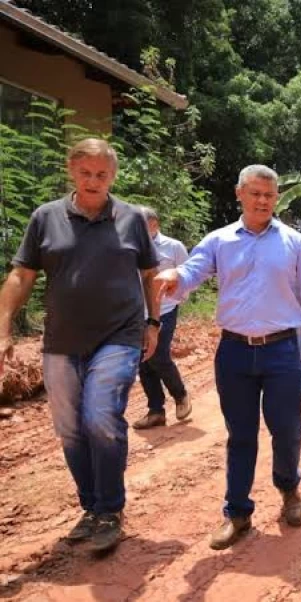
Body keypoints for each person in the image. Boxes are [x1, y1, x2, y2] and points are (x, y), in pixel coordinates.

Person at [155, 164, 301, 550]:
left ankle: (289, 491)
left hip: (282, 349)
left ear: (276, 198)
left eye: (270, 194)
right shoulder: (220, 240)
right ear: (239, 194)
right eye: (255, 193)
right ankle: (238, 513)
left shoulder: (294, 243)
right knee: (240, 435)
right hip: (233, 351)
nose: (263, 200)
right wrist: (176, 278)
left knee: (287, 428)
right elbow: (195, 267)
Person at [0, 138, 159, 553]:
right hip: (61, 342)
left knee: (101, 416)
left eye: (102, 174)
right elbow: (21, 276)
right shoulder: (45, 218)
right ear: (71, 171)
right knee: (70, 430)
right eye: (86, 173)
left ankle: (110, 510)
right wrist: (3, 327)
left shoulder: (131, 219)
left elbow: (149, 274)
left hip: (120, 335)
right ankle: (91, 508)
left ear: (113, 176)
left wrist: (154, 321)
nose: (93, 181)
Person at [133, 206, 192, 429]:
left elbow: (187, 273)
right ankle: (156, 410)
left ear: (154, 224)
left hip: (165, 308)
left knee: (157, 354)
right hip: (139, 312)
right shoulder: (130, 248)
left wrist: (178, 299)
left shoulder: (173, 246)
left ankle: (180, 395)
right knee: (143, 361)